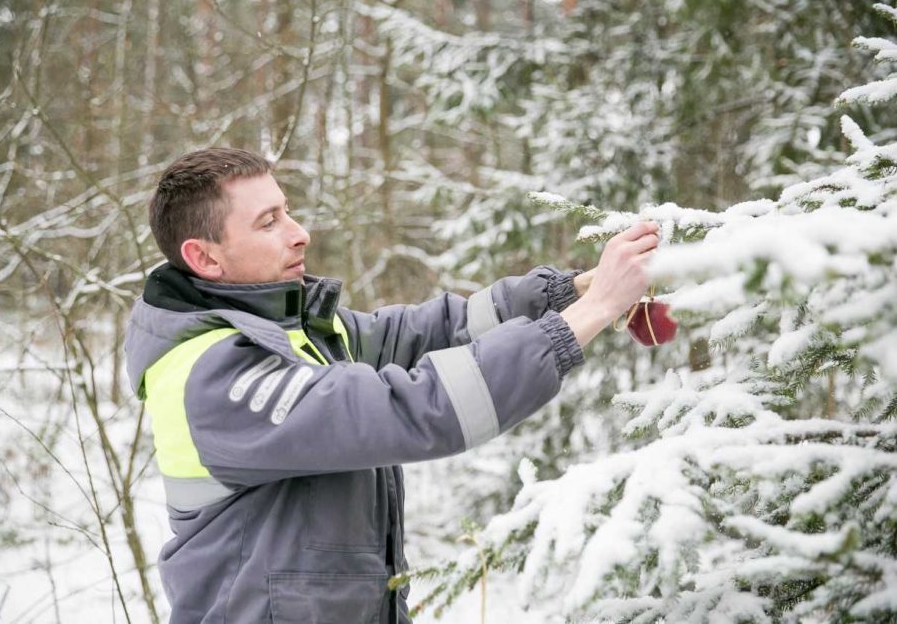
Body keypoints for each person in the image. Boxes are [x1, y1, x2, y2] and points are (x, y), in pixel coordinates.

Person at [124, 147, 659, 623]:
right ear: (205, 258)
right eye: (268, 223)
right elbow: (414, 409)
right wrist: (592, 313)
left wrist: (569, 293)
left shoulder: (293, 327)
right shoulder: (219, 376)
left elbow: (419, 334)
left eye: (286, 210)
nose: (298, 232)